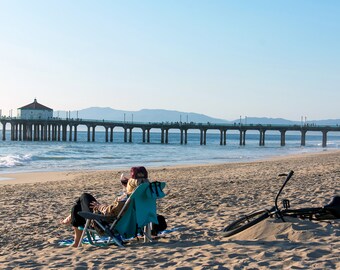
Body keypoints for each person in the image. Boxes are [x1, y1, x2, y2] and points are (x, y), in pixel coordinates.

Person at [60, 166, 150, 247]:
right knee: (76, 208)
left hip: (107, 224)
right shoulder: (145, 196)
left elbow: (110, 212)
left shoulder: (127, 197)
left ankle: (72, 225)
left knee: (84, 196)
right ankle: (71, 219)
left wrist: (99, 206)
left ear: (132, 181)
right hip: (134, 225)